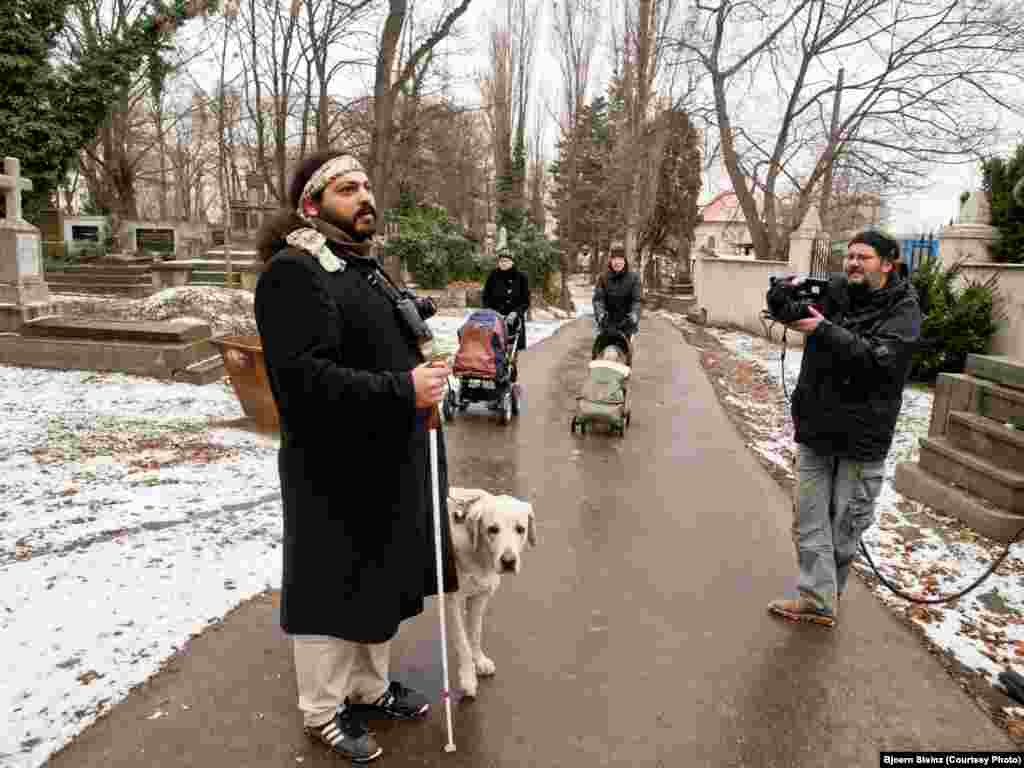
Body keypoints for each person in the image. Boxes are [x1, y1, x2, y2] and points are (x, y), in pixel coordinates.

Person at [254, 150, 458, 763]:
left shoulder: (363, 266)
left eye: (367, 185)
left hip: (387, 459)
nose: (364, 196)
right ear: (312, 205)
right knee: (330, 586)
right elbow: (301, 380)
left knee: (378, 578)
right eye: (347, 188)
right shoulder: (295, 271)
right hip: (332, 469)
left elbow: (379, 348)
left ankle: (367, 689)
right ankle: (322, 709)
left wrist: (424, 377)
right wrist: (403, 388)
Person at [765, 229, 921, 629]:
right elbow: (786, 309)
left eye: (863, 257)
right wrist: (782, 292)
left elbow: (877, 361)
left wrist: (822, 329)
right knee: (809, 520)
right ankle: (819, 598)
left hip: (861, 439)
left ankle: (824, 594)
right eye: (850, 256)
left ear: (888, 264)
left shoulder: (903, 312)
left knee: (843, 527)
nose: (852, 263)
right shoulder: (833, 291)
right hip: (817, 428)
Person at [482, 250, 530, 352]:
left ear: (512, 262)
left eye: (506, 261)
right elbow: (486, 297)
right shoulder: (493, 276)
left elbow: (526, 301)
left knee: (516, 350)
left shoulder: (521, 277)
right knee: (495, 347)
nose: (503, 263)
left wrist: (516, 312)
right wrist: (493, 313)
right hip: (496, 319)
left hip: (515, 320)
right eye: (501, 261)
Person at [592, 251, 641, 338]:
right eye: (614, 259)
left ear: (625, 261)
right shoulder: (603, 278)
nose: (617, 262)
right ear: (610, 261)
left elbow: (637, 300)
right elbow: (598, 299)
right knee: (603, 348)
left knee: (625, 349)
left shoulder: (634, 278)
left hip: (627, 323)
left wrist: (634, 314)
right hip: (607, 322)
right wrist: (600, 313)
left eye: (620, 259)